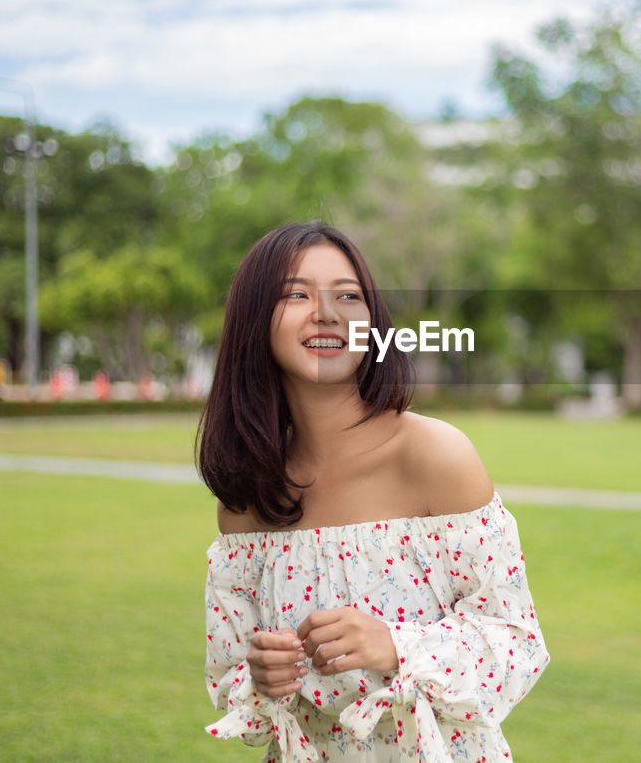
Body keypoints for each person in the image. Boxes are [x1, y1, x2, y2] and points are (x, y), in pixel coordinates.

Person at [197, 222, 548, 762]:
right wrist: (261, 677)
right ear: (252, 320)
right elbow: (231, 680)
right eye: (296, 293)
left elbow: (516, 643)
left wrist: (396, 647)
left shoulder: (435, 456)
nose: (327, 312)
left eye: (348, 295)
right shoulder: (247, 501)